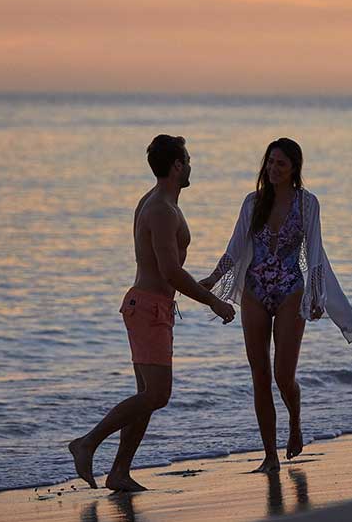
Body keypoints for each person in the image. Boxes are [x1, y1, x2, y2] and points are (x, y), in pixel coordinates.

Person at [69, 135, 236, 492]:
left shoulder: (158, 201)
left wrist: (203, 285)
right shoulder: (161, 208)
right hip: (148, 308)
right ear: (177, 166)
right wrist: (213, 302)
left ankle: (119, 472)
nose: (191, 165)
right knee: (157, 394)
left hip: (152, 306)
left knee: (146, 394)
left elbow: (170, 271)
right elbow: (169, 271)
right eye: (187, 159)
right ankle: (86, 444)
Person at [200, 138, 352, 473]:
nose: (273, 169)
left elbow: (315, 252)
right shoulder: (252, 203)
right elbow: (234, 248)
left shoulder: (307, 204)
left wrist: (316, 297)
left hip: (290, 290)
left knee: (283, 375)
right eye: (270, 162)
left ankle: (295, 422)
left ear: (294, 170)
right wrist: (211, 281)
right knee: (259, 375)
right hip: (255, 292)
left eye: (281, 164)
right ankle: (269, 456)